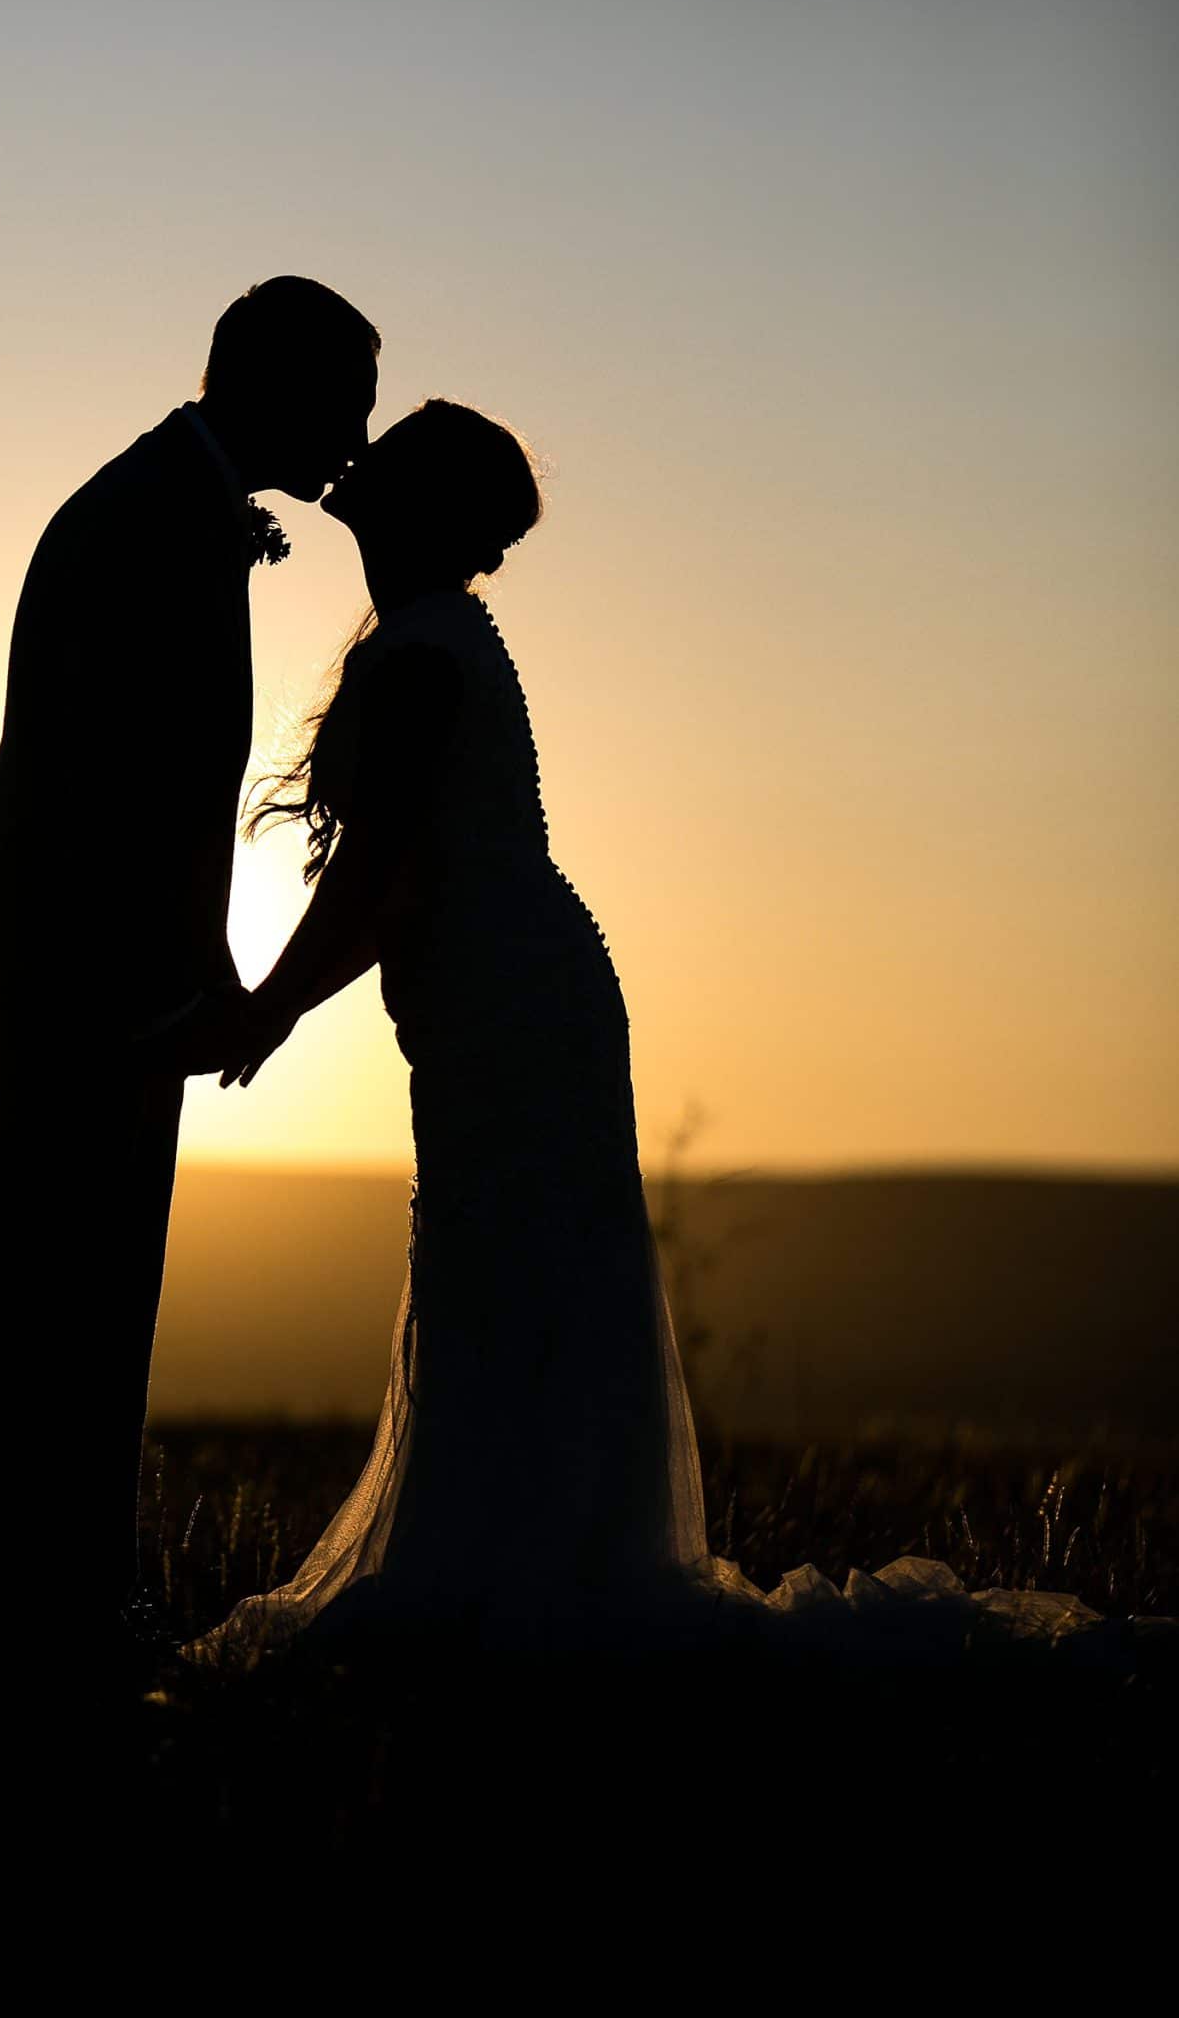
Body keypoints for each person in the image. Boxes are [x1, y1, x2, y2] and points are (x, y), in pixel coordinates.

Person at [206, 402, 1107, 1659]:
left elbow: (382, 880)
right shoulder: (430, 635)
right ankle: (524, 1571)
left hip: (509, 1000)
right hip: (510, 991)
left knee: (507, 1272)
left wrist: (269, 1007)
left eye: (392, 445)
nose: (359, 453)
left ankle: (509, 1593)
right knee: (510, 1274)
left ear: (423, 503)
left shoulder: (419, 653)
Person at [0, 276, 379, 1682]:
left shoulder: (164, 506)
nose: (354, 443)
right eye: (345, 407)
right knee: (53, 1299)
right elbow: (104, 788)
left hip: (108, 973)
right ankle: (28, 1620)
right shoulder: (142, 521)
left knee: (80, 1296)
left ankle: (52, 1603)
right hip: (81, 976)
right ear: (271, 383)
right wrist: (182, 988)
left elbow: (166, 796)